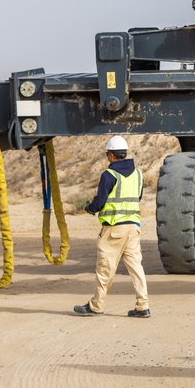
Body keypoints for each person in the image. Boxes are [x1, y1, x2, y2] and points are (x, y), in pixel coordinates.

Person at [73, 135, 151, 318]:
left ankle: (96, 306)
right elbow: (137, 197)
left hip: (114, 229)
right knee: (136, 268)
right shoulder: (138, 173)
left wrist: (90, 208)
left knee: (105, 269)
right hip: (133, 228)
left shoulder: (109, 175)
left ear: (111, 155)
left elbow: (100, 202)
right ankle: (143, 306)